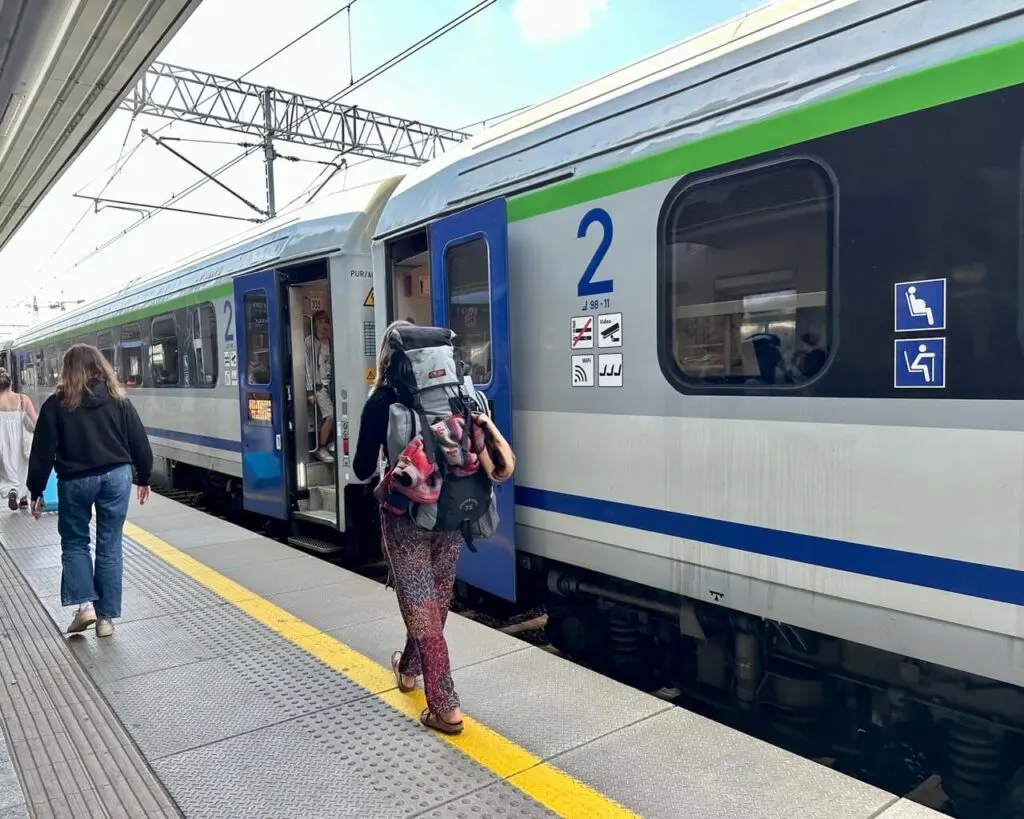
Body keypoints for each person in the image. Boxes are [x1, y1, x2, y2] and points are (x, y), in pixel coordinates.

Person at [353, 319, 466, 735]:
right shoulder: (456, 394)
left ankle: (446, 706)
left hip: (406, 517)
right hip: (453, 511)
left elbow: (362, 467)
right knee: (434, 601)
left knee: (422, 608)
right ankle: (408, 670)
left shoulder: (382, 400)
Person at [27, 344, 153, 638]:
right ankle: (106, 620)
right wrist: (144, 477)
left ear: (66, 369)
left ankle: (85, 606)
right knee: (110, 545)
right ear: (100, 367)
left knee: (75, 542)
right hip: (116, 477)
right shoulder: (118, 400)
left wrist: (35, 490)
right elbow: (139, 442)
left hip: (75, 481)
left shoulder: (56, 404)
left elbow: (42, 452)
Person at [0, 369, 36, 510]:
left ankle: (11, 491)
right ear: (11, 384)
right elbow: (35, 421)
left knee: (5, 469)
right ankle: (23, 498)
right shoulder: (22, 399)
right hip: (21, 441)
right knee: (23, 467)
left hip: (2, 441)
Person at [304, 310, 335, 463]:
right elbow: (307, 368)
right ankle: (320, 447)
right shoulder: (309, 342)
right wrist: (310, 390)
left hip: (331, 385)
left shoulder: (330, 341)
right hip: (318, 386)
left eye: (326, 321)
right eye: (320, 321)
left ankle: (330, 443)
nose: (324, 325)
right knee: (330, 415)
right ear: (314, 324)